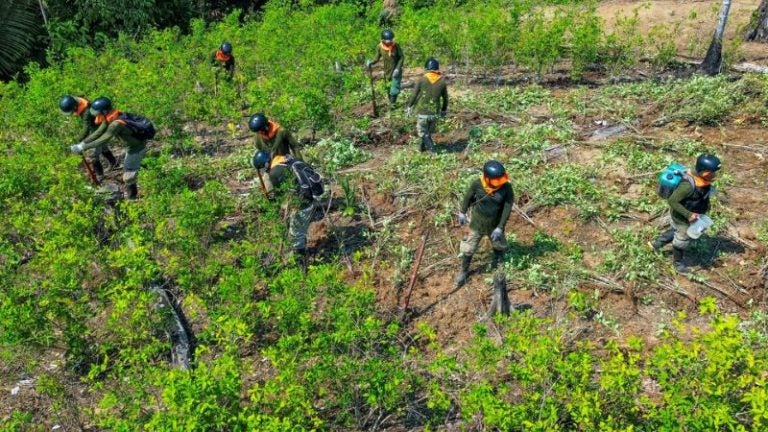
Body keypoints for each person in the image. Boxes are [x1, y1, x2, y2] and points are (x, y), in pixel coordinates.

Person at [251, 149, 323, 269]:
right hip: (310, 197)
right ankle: (298, 256)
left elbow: (278, 198)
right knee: (297, 231)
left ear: (265, 164)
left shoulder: (274, 173)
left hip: (302, 204)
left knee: (296, 236)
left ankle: (301, 268)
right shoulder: (288, 159)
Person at [649, 154, 721, 273]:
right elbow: (672, 201)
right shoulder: (687, 186)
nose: (714, 175)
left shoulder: (702, 181)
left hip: (693, 214)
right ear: (703, 172)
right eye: (711, 173)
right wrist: (689, 215)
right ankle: (678, 264)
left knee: (677, 231)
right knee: (682, 239)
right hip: (683, 217)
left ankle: (656, 244)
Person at [70, 97, 152, 200]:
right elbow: (98, 133)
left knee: (128, 174)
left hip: (136, 149)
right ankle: (136, 189)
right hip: (132, 147)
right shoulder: (110, 117)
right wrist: (83, 143)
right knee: (129, 169)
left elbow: (103, 139)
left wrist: (83, 147)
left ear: (104, 111)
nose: (96, 115)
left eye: (98, 113)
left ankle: (132, 198)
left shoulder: (116, 124)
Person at [455, 160, 514, 287]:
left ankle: (499, 264)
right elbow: (468, 197)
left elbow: (507, 207)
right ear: (487, 178)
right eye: (496, 180)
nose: (499, 183)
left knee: (498, 245)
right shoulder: (477, 184)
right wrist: (462, 212)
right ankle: (464, 271)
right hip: (477, 222)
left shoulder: (506, 188)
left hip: (495, 224)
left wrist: (500, 227)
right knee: (468, 248)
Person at [60, 95, 118, 179]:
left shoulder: (86, 112)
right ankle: (114, 163)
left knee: (93, 155)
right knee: (103, 147)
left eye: (71, 111)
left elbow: (86, 128)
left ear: (75, 106)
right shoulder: (76, 100)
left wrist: (78, 140)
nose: (72, 113)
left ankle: (99, 175)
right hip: (98, 125)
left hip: (97, 128)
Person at [405, 57, 448, 152]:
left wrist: (409, 106)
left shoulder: (421, 80)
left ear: (426, 69)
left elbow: (414, 95)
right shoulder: (442, 81)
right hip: (434, 113)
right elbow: (445, 99)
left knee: (423, 133)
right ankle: (421, 149)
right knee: (427, 132)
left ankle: (433, 151)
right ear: (437, 68)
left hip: (422, 113)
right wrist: (444, 110)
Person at [366, 29, 404, 105]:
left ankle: (392, 106)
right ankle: (391, 103)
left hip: (396, 71)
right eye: (387, 41)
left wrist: (397, 69)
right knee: (388, 88)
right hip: (387, 71)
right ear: (383, 40)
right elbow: (376, 58)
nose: (389, 42)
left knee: (394, 89)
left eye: (391, 40)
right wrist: (371, 62)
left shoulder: (396, 46)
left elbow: (401, 57)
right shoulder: (379, 47)